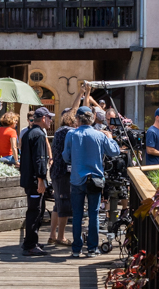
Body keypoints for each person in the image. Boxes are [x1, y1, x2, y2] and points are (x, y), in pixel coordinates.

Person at [62, 110, 121, 258]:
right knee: (94, 214)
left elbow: (66, 157)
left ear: (77, 119)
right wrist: (111, 138)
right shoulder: (99, 135)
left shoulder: (71, 135)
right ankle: (92, 249)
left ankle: (76, 249)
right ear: (92, 119)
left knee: (77, 215)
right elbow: (115, 151)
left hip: (77, 179)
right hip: (95, 179)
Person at [19, 106, 53, 257]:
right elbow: (39, 159)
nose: (51, 121)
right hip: (34, 180)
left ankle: (31, 241)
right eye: (50, 118)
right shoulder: (39, 135)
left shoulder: (28, 133)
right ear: (44, 119)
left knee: (36, 209)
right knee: (35, 211)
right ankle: (30, 245)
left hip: (28, 178)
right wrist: (41, 179)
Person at [47, 107, 81, 246]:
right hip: (63, 172)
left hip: (56, 171)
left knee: (57, 204)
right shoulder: (69, 131)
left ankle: (53, 235)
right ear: (72, 122)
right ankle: (61, 237)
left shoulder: (59, 131)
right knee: (64, 205)